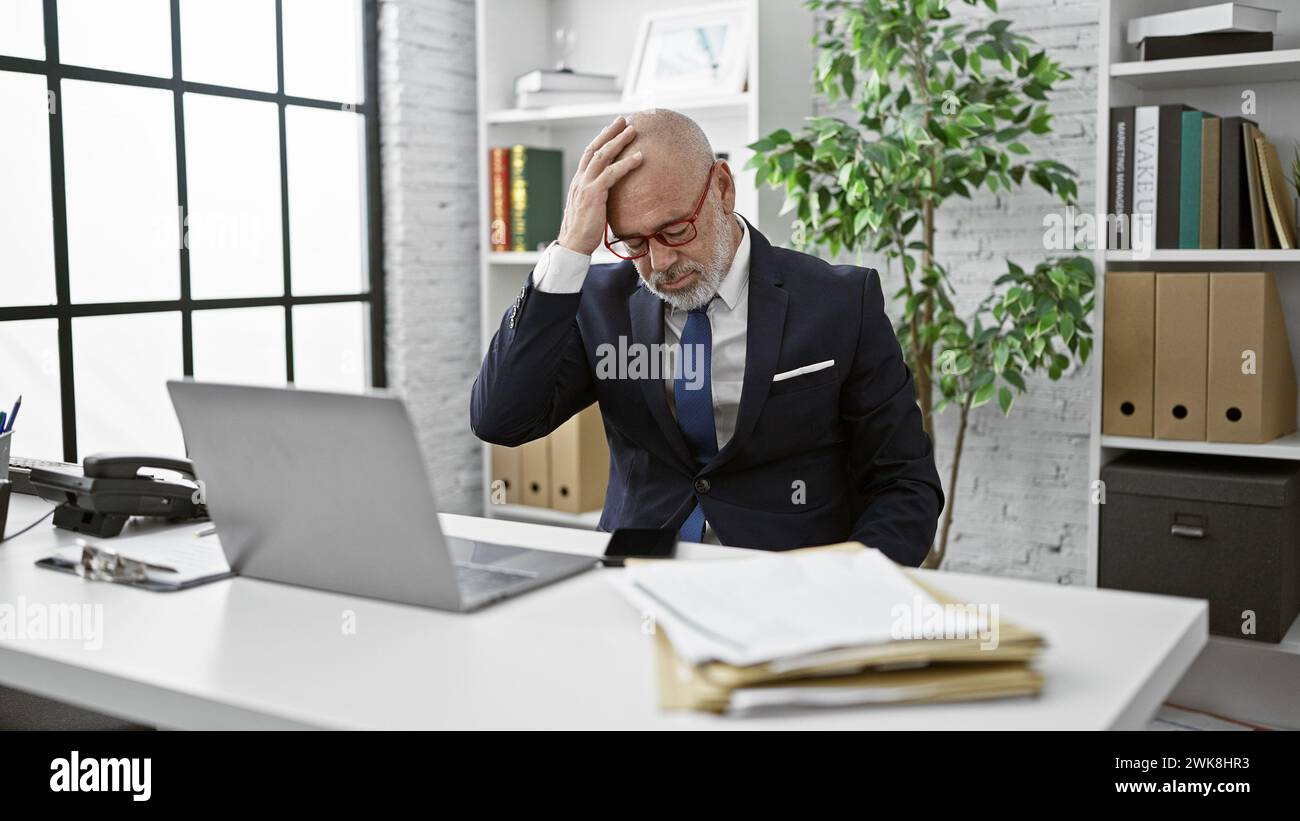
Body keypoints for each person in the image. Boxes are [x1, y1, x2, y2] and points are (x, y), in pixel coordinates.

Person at [471, 109, 943, 566]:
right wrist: (571, 248)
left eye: (675, 231)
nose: (658, 264)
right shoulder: (598, 303)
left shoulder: (840, 300)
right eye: (633, 244)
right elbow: (501, 420)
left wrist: (850, 587)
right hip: (639, 577)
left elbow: (903, 482)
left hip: (789, 583)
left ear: (722, 188)